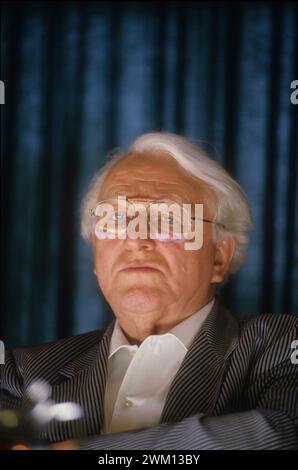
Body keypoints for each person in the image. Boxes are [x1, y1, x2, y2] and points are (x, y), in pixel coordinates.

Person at [1, 132, 297, 449]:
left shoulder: (281, 345)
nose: (137, 240)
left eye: (169, 219)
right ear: (97, 257)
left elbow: (281, 432)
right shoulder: (23, 372)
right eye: (115, 218)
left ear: (219, 258)